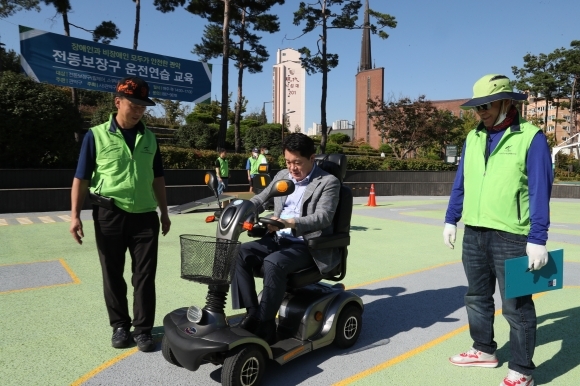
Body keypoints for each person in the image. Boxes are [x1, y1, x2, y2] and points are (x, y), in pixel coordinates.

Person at [443, 74, 553, 386]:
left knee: (517, 307)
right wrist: (451, 219)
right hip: (474, 233)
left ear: (507, 101)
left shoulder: (531, 138)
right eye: (477, 107)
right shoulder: (473, 137)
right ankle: (483, 350)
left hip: (512, 236)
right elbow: (461, 182)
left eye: (487, 105)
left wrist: (538, 238)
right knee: (476, 297)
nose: (482, 112)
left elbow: (539, 190)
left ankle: (521, 369)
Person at [69, 76, 171, 352]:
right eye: (133, 104)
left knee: (145, 275)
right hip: (108, 215)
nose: (138, 110)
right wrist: (75, 215)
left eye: (142, 106)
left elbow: (157, 178)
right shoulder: (96, 135)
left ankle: (143, 330)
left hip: (144, 217)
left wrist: (164, 212)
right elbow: (81, 178)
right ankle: (119, 326)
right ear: (118, 102)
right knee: (112, 273)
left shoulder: (150, 137)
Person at [232, 133, 341, 344]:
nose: (292, 168)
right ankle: (253, 313)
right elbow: (261, 199)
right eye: (288, 162)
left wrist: (289, 222)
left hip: (307, 245)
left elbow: (323, 217)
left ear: (312, 158)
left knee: (273, 262)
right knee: (240, 252)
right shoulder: (282, 175)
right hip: (277, 239)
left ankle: (266, 326)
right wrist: (241, 209)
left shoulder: (328, 182)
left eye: (297, 163)